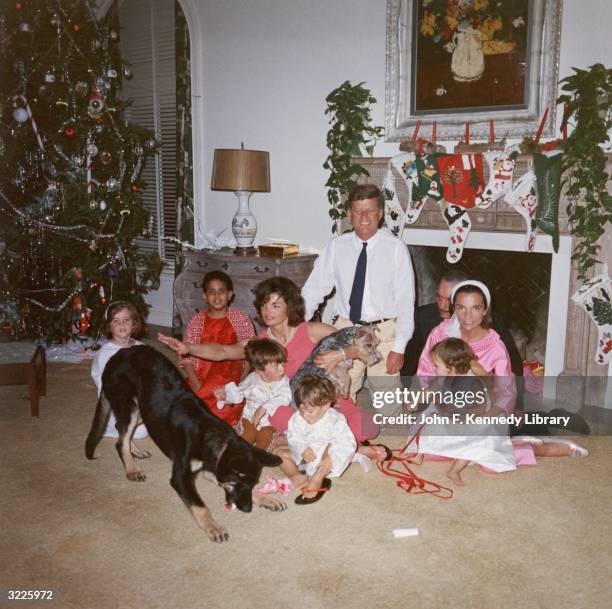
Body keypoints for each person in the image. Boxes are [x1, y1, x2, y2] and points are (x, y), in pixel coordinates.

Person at [158, 276, 390, 462]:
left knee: (369, 428)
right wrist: (187, 347)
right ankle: (343, 449)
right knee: (277, 416)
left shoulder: (311, 330)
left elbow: (358, 344)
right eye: (264, 305)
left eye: (276, 305)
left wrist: (339, 354)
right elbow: (222, 352)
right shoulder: (260, 343)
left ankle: (332, 446)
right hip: (293, 408)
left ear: (290, 307)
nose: (268, 310)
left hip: (327, 399)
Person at [301, 183, 415, 400]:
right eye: (357, 211)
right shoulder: (336, 246)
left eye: (370, 210)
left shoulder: (395, 248)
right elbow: (313, 291)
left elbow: (405, 302)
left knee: (387, 405)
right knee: (337, 397)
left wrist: (399, 348)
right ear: (349, 213)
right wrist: (294, 330)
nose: (364, 217)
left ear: (380, 213)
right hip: (347, 329)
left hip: (385, 332)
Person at [409, 338, 516, 486]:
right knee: (427, 424)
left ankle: (455, 470)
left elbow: (478, 408)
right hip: (450, 415)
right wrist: (416, 400)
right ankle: (419, 454)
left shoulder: (473, 383)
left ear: (450, 367)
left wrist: (460, 418)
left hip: (472, 421)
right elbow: (431, 391)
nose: (433, 368)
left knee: (473, 441)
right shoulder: (445, 377)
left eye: (436, 365)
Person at [402, 270, 523, 380]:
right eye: (439, 297)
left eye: (475, 308)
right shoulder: (438, 332)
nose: (442, 306)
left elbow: (506, 386)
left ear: (485, 310)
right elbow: (424, 370)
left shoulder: (494, 342)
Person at [180, 270, 255, 426]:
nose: (217, 296)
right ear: (204, 296)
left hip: (231, 377)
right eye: (211, 292)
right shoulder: (196, 321)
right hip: (202, 375)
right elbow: (185, 356)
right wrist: (195, 384)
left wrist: (242, 378)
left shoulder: (241, 319)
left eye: (221, 291)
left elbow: (250, 353)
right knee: (191, 408)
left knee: (225, 409)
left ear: (230, 295)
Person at [275, 375, 356, 505]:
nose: (305, 415)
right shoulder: (298, 418)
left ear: (325, 405)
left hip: (324, 460)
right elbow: (293, 435)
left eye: (310, 411)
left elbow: (345, 442)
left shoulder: (335, 420)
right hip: (307, 456)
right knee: (278, 453)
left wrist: (330, 457)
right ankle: (296, 476)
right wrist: (302, 449)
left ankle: (318, 477)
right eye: (301, 410)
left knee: (331, 448)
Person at [213, 339, 292, 450]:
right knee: (247, 437)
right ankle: (234, 456)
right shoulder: (252, 379)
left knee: (264, 441)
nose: (282, 368)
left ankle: (257, 457)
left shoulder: (283, 381)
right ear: (259, 370)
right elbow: (238, 393)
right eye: (276, 366)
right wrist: (225, 397)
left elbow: (284, 397)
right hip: (250, 417)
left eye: (282, 363)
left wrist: (264, 408)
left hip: (270, 421)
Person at [91, 301, 148, 439]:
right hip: (117, 402)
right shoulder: (106, 353)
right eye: (116, 321)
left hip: (138, 398)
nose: (122, 325)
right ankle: (109, 428)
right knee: (140, 433)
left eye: (126, 320)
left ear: (134, 323)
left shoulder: (141, 347)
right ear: (109, 326)